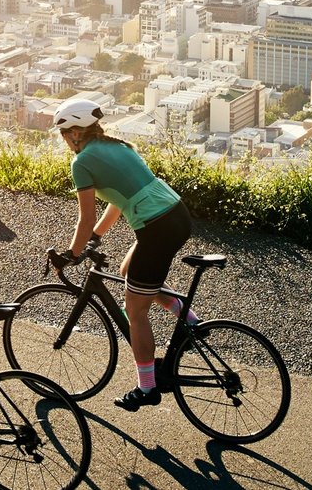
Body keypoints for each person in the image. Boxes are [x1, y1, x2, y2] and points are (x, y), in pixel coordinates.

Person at [52, 99, 199, 412]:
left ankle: (147, 388)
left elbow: (86, 217)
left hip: (157, 226)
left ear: (76, 133)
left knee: (135, 310)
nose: (64, 140)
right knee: (128, 271)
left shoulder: (82, 162)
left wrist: (71, 254)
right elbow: (117, 202)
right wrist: (94, 240)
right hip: (175, 214)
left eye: (65, 134)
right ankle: (190, 320)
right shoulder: (119, 145)